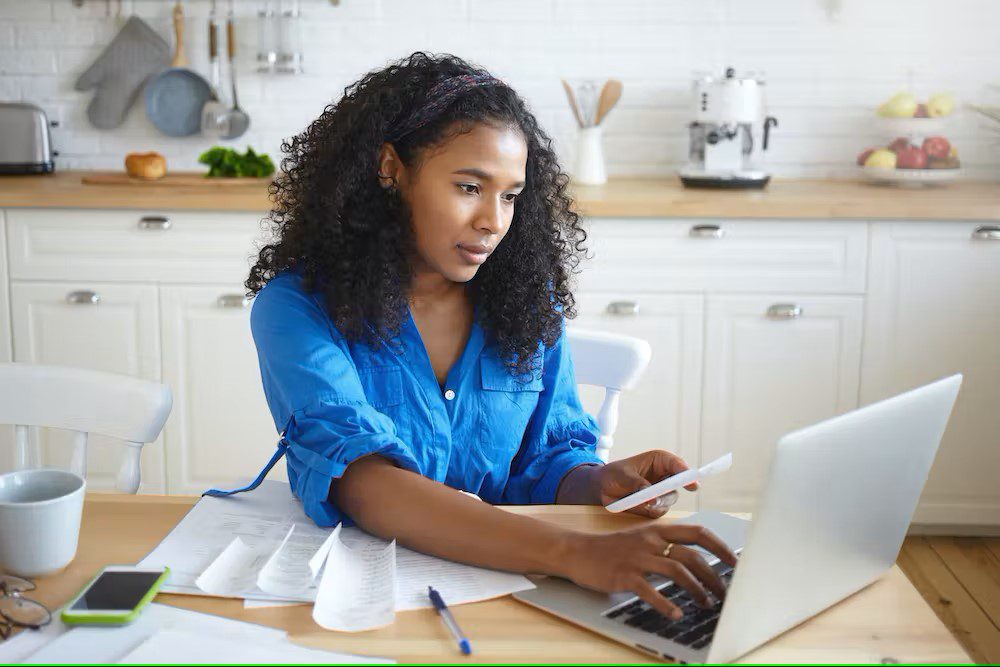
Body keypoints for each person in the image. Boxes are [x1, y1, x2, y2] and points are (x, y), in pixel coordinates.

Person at [237, 52, 736, 621]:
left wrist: (596, 482)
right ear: (391, 169)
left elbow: (543, 460)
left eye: (510, 195)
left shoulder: (525, 304)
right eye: (470, 187)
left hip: (514, 595)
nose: (494, 221)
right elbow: (366, 484)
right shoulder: (298, 307)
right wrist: (575, 552)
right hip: (363, 605)